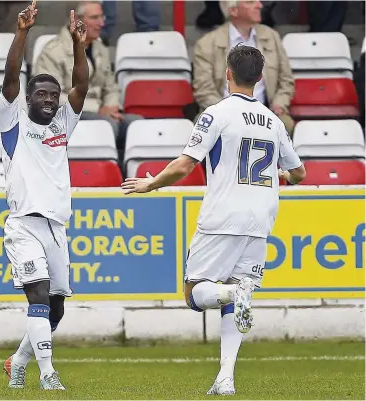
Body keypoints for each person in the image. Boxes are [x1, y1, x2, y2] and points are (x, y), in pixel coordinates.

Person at [122, 44, 306, 396]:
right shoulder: (274, 121)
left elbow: (184, 164)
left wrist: (150, 183)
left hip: (223, 216)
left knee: (195, 294)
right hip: (260, 220)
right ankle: (225, 379)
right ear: (261, 77)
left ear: (227, 74)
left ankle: (235, 294)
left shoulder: (215, 114)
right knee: (233, 301)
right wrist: (279, 174)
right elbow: (299, 172)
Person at [0, 0, 88, 391]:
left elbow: (81, 85)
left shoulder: (63, 124)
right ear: (28, 99)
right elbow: (10, 78)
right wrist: (22, 33)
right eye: (43, 95)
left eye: (54, 95)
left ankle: (17, 360)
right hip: (23, 225)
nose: (50, 100)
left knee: (56, 308)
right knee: (36, 294)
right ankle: (48, 375)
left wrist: (78, 44)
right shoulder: (12, 123)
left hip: (56, 226)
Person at [34, 1, 142, 149]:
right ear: (77, 20)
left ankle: (123, 170)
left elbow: (111, 87)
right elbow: (49, 96)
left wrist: (111, 106)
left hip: (99, 112)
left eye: (102, 17)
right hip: (66, 113)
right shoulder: (53, 51)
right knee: (108, 126)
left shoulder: (100, 49)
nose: (101, 23)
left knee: (136, 124)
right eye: (94, 18)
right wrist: (97, 110)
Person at [193, 0, 295, 136]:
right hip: (222, 113)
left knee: (285, 124)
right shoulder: (206, 44)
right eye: (250, 2)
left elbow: (286, 80)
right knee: (204, 125)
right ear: (233, 11)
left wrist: (279, 103)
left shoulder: (272, 37)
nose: (259, 5)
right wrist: (227, 113)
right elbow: (203, 89)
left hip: (264, 112)